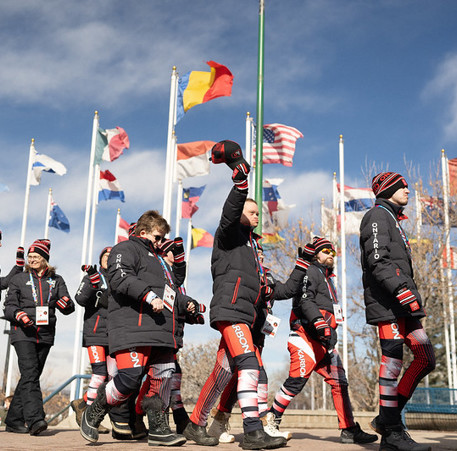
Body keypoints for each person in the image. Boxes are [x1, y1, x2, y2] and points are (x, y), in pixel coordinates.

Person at [184, 140, 302, 450]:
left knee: (224, 371)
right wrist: (240, 181)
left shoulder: (254, 250)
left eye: (258, 212)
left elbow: (283, 289)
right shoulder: (228, 235)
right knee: (249, 365)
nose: (257, 215)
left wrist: (303, 264)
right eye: (252, 211)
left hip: (248, 319)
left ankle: (196, 424)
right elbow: (231, 211)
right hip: (230, 311)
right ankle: (253, 432)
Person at [80, 210, 200, 447]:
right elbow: (120, 277)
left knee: (163, 378)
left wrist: (188, 304)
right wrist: (147, 294)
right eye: (157, 237)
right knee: (129, 380)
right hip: (132, 327)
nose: (160, 242)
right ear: (143, 232)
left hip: (162, 332)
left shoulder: (159, 262)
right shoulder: (124, 249)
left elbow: (170, 292)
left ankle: (158, 429)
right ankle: (93, 411)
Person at [268, 236, 377, 445]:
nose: (330, 255)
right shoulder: (309, 271)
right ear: (316, 254)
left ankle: (348, 429)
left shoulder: (328, 278)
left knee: (339, 382)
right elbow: (304, 300)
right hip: (305, 337)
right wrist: (319, 322)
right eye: (326, 251)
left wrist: (329, 331)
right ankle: (271, 419)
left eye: (333, 252)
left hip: (325, 342)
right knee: (296, 381)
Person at [207, 244, 313, 443]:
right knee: (251, 376)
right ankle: (256, 426)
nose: (260, 257)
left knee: (239, 378)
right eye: (257, 254)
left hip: (257, 335)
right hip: (238, 326)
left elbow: (287, 290)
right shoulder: (243, 271)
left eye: (263, 255)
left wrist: (302, 263)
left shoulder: (268, 277)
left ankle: (219, 423)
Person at [360, 172, 435, 451]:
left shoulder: (393, 219)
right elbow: (377, 260)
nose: (408, 189)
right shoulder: (377, 216)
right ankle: (392, 432)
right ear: (388, 189)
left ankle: (385, 419)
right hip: (389, 302)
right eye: (402, 186)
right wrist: (402, 291)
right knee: (392, 360)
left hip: (405, 305)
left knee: (426, 358)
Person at [3, 239, 75, 435]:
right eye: (30, 256)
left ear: (45, 259)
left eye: (36, 256)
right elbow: (9, 306)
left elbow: (69, 306)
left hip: (45, 334)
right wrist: (19, 314)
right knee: (30, 372)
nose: (32, 259)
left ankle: (13, 420)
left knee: (30, 376)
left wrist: (65, 303)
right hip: (22, 333)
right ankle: (35, 420)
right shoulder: (19, 279)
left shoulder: (57, 280)